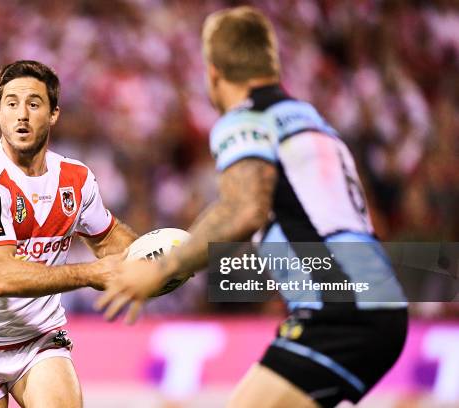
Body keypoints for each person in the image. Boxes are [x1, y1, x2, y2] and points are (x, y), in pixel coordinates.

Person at [97, 6, 408, 408]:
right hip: (377, 302)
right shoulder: (314, 122)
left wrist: (162, 269)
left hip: (338, 309)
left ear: (213, 72)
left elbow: (245, 209)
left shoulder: (245, 120)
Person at [0, 60, 136, 408]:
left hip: (38, 340)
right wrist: (91, 274)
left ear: (54, 113)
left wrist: (161, 259)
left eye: (34, 103)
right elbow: (2, 276)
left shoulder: (76, 179)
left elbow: (107, 239)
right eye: (11, 104)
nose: (21, 115)